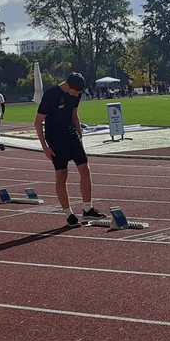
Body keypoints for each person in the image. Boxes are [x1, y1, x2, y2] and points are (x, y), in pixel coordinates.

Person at [34, 72, 104, 226]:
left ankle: (87, 208)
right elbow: (38, 122)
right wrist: (45, 147)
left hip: (72, 135)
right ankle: (68, 214)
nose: (77, 95)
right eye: (75, 92)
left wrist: (80, 135)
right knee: (62, 174)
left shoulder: (76, 94)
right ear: (67, 85)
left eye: (79, 93)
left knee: (85, 169)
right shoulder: (51, 95)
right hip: (55, 139)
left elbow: (74, 114)